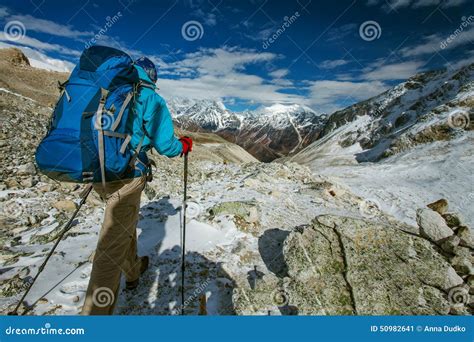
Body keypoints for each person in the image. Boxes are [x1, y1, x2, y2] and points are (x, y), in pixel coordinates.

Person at [81, 57, 193, 315]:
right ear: (152, 78)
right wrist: (183, 146)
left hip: (99, 170)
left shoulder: (109, 91)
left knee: (122, 223)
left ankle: (132, 270)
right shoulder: (151, 98)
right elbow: (166, 145)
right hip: (127, 174)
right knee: (110, 247)